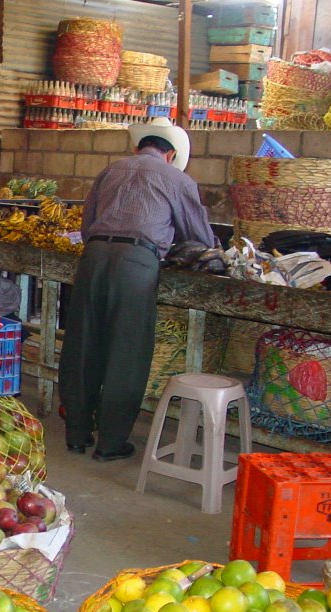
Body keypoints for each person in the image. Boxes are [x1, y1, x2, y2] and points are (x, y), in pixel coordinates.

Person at [57, 118, 218, 463]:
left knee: (82, 344)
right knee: (125, 353)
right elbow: (201, 239)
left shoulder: (110, 171)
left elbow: (87, 226)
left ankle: (76, 434)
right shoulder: (178, 179)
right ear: (171, 154)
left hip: (94, 257)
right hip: (136, 264)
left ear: (137, 147)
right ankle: (111, 442)